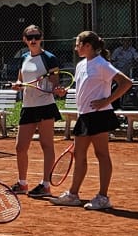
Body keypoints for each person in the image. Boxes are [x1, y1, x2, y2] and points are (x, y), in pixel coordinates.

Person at [55, 30, 131, 210]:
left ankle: (103, 197)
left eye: (77, 44)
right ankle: (73, 194)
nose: (75, 47)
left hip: (99, 115)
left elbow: (126, 83)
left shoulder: (101, 64)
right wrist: (65, 92)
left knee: (102, 154)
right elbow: (85, 89)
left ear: (87, 46)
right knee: (79, 155)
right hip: (84, 115)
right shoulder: (81, 64)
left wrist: (107, 101)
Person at [9, 23, 63, 197]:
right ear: (24, 39)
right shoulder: (24, 58)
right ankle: (22, 183)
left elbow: (55, 84)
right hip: (28, 107)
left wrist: (55, 88)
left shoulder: (50, 58)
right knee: (20, 147)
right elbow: (21, 80)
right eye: (30, 37)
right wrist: (17, 86)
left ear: (41, 38)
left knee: (46, 146)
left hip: (46, 106)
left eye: (37, 37)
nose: (33, 40)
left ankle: (45, 185)